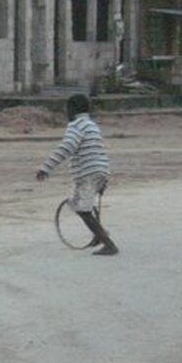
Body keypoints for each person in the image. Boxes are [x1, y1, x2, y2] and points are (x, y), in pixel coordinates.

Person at [36, 94, 118, 255]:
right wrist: (103, 177)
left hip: (87, 174)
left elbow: (66, 147)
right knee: (78, 204)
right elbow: (99, 150)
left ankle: (108, 243)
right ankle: (98, 235)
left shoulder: (76, 126)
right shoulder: (92, 126)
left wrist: (46, 167)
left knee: (83, 210)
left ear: (72, 109)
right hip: (98, 170)